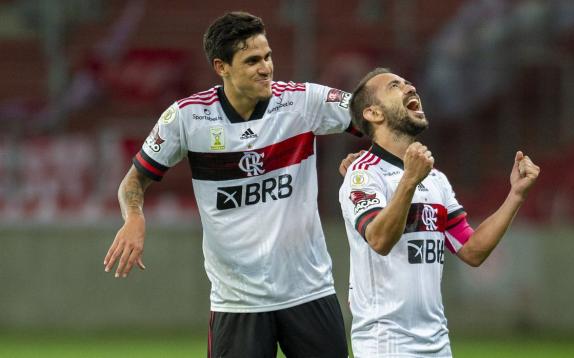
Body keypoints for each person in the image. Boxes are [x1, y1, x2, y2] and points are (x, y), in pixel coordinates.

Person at [103, 11, 358, 358]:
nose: (266, 68)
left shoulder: (302, 102)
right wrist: (133, 216)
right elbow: (134, 180)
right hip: (237, 303)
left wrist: (369, 163)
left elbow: (374, 115)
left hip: (308, 291)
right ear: (222, 67)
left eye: (267, 57)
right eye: (252, 60)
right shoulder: (187, 117)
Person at [338, 67, 540, 357]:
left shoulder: (435, 180)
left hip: (437, 344)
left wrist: (515, 195)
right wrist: (409, 181)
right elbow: (380, 240)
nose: (410, 88)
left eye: (409, 83)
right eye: (395, 86)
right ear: (373, 113)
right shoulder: (363, 175)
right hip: (386, 344)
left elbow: (472, 251)